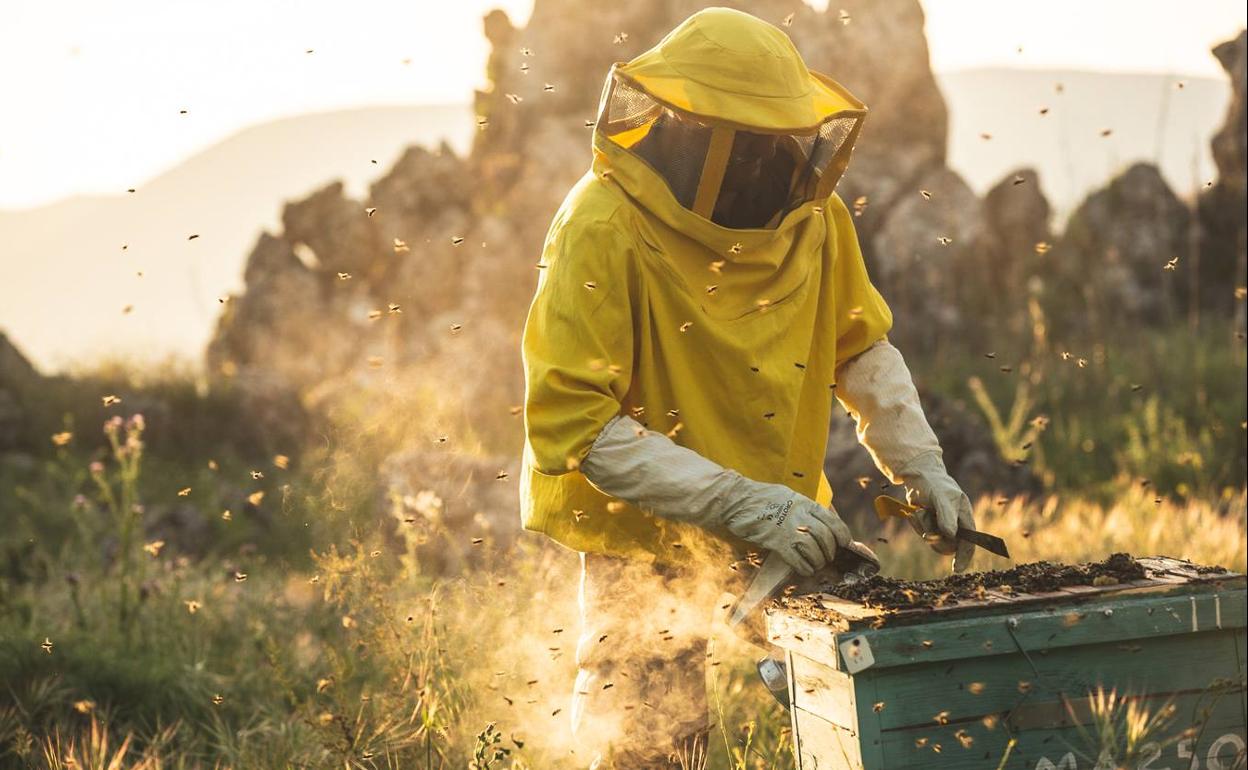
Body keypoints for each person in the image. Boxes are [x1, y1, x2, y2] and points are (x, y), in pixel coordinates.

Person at [518, 7, 976, 768]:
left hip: (782, 518)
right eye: (755, 145)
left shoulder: (814, 218)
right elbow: (576, 426)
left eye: (782, 142)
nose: (774, 163)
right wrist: (742, 504)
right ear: (696, 133)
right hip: (645, 531)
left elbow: (858, 346)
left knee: (857, 695)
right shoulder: (600, 224)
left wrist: (921, 465)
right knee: (649, 741)